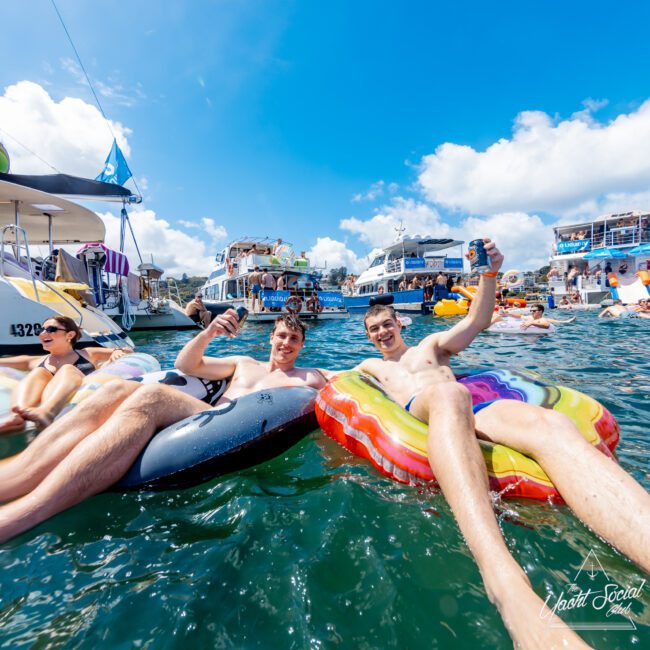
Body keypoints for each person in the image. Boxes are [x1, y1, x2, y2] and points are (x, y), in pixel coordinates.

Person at [358, 239, 650, 647]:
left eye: (387, 325)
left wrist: (489, 274)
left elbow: (476, 322)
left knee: (550, 424)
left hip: (472, 409)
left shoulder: (430, 347)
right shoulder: (369, 367)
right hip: (431, 405)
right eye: (373, 330)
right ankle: (505, 585)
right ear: (368, 336)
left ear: (398, 323)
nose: (382, 333)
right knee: (449, 395)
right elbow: (321, 379)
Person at [0, 313, 327, 542]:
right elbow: (186, 365)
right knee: (116, 389)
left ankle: (28, 512)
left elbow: (350, 380)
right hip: (203, 417)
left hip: (228, 424)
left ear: (302, 346)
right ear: (271, 337)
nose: (286, 343)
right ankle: (15, 477)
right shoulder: (244, 363)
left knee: (153, 396)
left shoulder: (309, 375)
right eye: (281, 335)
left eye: (294, 339)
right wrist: (209, 333)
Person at [0, 316, 132, 433]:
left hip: (79, 395)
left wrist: (117, 352)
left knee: (67, 369)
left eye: (51, 329)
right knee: (38, 372)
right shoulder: (35, 361)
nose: (43, 333)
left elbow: (125, 351)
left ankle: (47, 412)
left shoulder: (87, 353)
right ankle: (19, 414)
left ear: (69, 335)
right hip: (44, 392)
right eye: (40, 330)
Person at [493, 303, 576, 330]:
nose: (532, 312)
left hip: (537, 337)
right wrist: (507, 314)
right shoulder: (529, 317)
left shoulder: (543, 319)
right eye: (531, 311)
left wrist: (531, 323)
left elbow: (546, 325)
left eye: (534, 311)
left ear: (541, 312)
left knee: (558, 322)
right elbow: (520, 316)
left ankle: (567, 321)